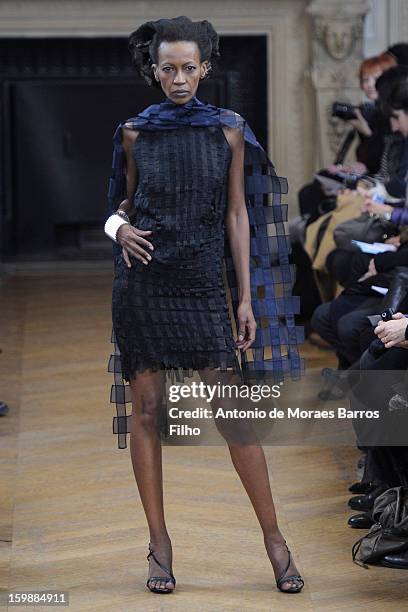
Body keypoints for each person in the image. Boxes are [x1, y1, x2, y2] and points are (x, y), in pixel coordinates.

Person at [103, 16, 304, 595]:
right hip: (143, 285)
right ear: (155, 71)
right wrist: (118, 230)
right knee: (146, 414)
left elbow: (238, 214)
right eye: (169, 68)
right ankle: (159, 544)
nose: (180, 78)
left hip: (202, 285)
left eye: (190, 68)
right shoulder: (133, 132)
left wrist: (245, 296)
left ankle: (274, 540)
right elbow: (113, 206)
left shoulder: (229, 130)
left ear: (206, 69)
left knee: (233, 417)